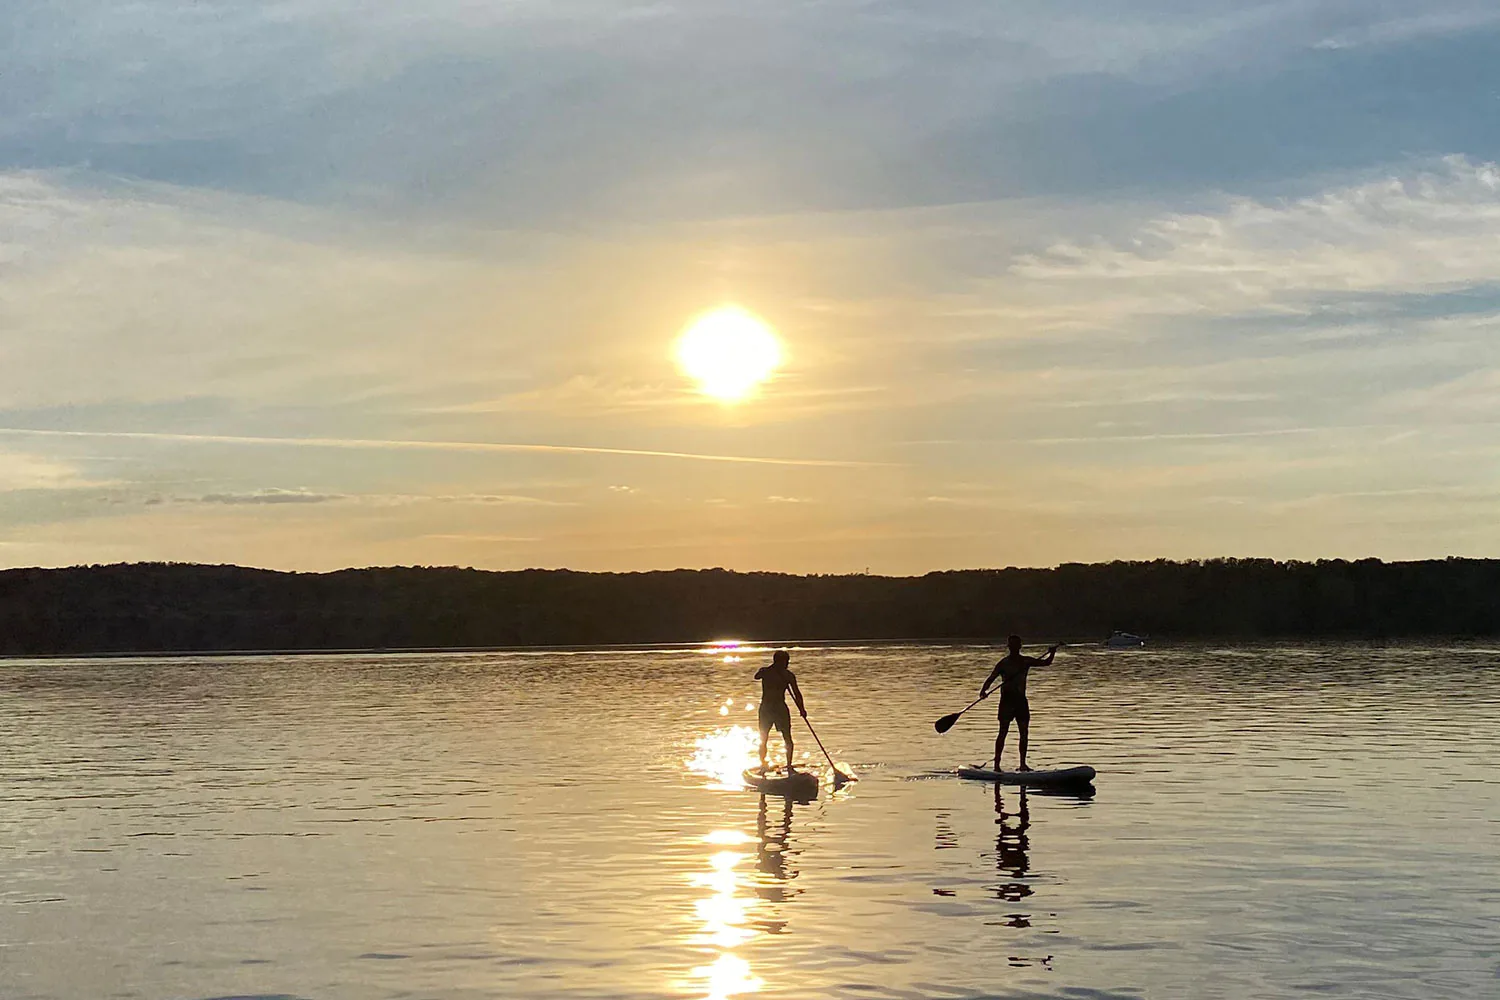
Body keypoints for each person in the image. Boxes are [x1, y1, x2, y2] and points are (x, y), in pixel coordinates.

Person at [979, 635, 1057, 771]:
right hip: (1006, 702)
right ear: (1009, 647)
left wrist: (1052, 653)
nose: (1014, 648)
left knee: (1024, 733)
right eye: (1012, 645)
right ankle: (997, 765)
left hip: (1021, 701)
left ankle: (1022, 764)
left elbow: (1046, 663)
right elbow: (991, 678)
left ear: (1020, 647)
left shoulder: (1025, 661)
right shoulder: (1003, 663)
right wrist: (983, 691)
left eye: (1016, 645)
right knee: (1003, 732)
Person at [754, 650, 806, 773]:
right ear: (778, 661)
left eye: (788, 662)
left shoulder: (788, 675)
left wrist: (802, 709)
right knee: (763, 737)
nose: (787, 664)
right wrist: (769, 670)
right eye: (786, 662)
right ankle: (763, 763)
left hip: (780, 708)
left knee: (787, 737)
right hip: (766, 708)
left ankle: (789, 765)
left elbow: (797, 694)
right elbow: (756, 676)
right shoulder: (766, 672)